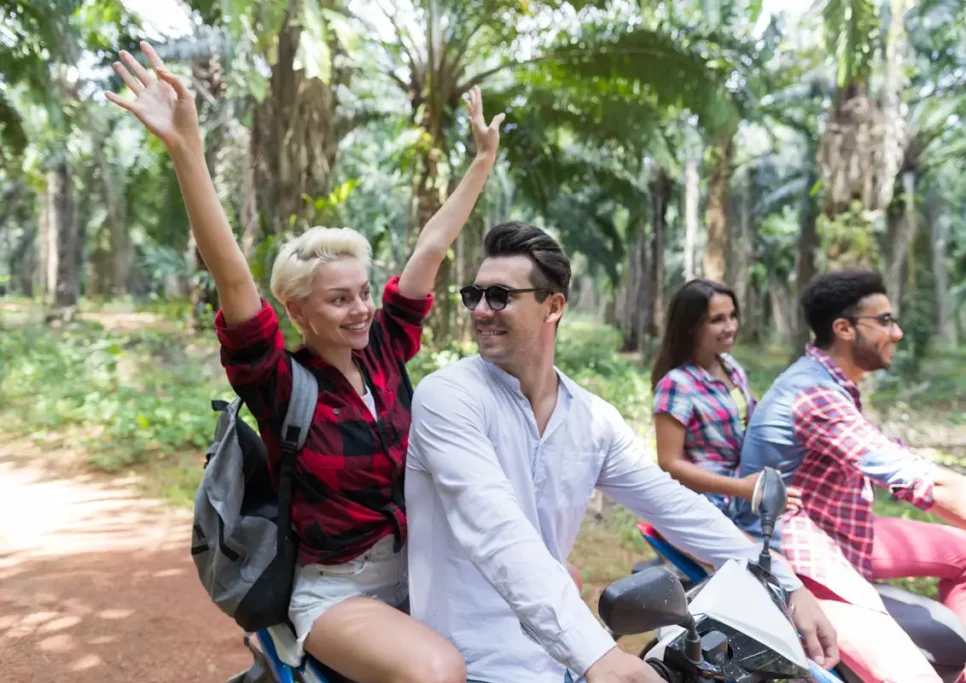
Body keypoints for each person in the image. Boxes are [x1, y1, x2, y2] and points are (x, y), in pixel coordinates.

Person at [106, 42, 507, 683]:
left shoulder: (385, 349)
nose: (360, 309)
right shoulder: (279, 381)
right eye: (338, 299)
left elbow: (433, 244)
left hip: (427, 573)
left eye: (364, 293)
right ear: (299, 312)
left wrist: (481, 164)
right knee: (438, 671)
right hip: (337, 593)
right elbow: (233, 276)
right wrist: (187, 151)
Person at [404, 222, 839, 683]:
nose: (481, 311)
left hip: (560, 660)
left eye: (500, 296)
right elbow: (497, 532)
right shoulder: (448, 397)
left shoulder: (591, 418)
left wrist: (786, 583)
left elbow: (676, 507)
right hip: (470, 663)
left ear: (552, 306)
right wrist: (597, 655)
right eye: (475, 295)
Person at [735, 269, 966, 683]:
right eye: (885, 321)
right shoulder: (813, 395)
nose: (898, 332)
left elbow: (916, 466)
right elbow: (925, 486)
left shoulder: (830, 382)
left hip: (834, 523)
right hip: (797, 548)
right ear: (844, 329)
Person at [651, 279, 782, 512]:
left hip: (748, 494)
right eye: (717, 320)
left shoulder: (730, 366)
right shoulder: (676, 385)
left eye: (732, 316)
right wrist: (739, 487)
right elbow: (670, 463)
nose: (730, 327)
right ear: (691, 326)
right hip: (707, 505)